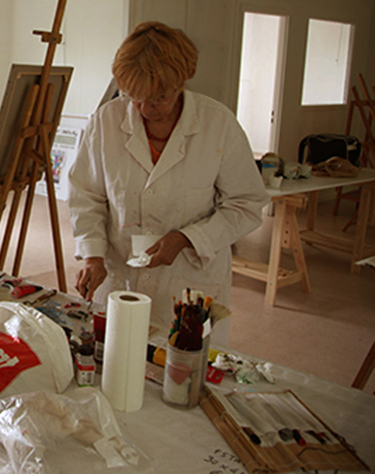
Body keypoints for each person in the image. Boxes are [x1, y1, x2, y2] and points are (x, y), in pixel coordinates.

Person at [67, 21, 268, 344]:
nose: (146, 109)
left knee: (183, 366)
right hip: (121, 277)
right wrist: (92, 255)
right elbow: (86, 195)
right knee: (114, 356)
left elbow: (247, 204)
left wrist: (187, 238)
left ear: (182, 81)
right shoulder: (107, 120)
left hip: (189, 281)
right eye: (135, 97)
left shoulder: (218, 125)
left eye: (159, 97)